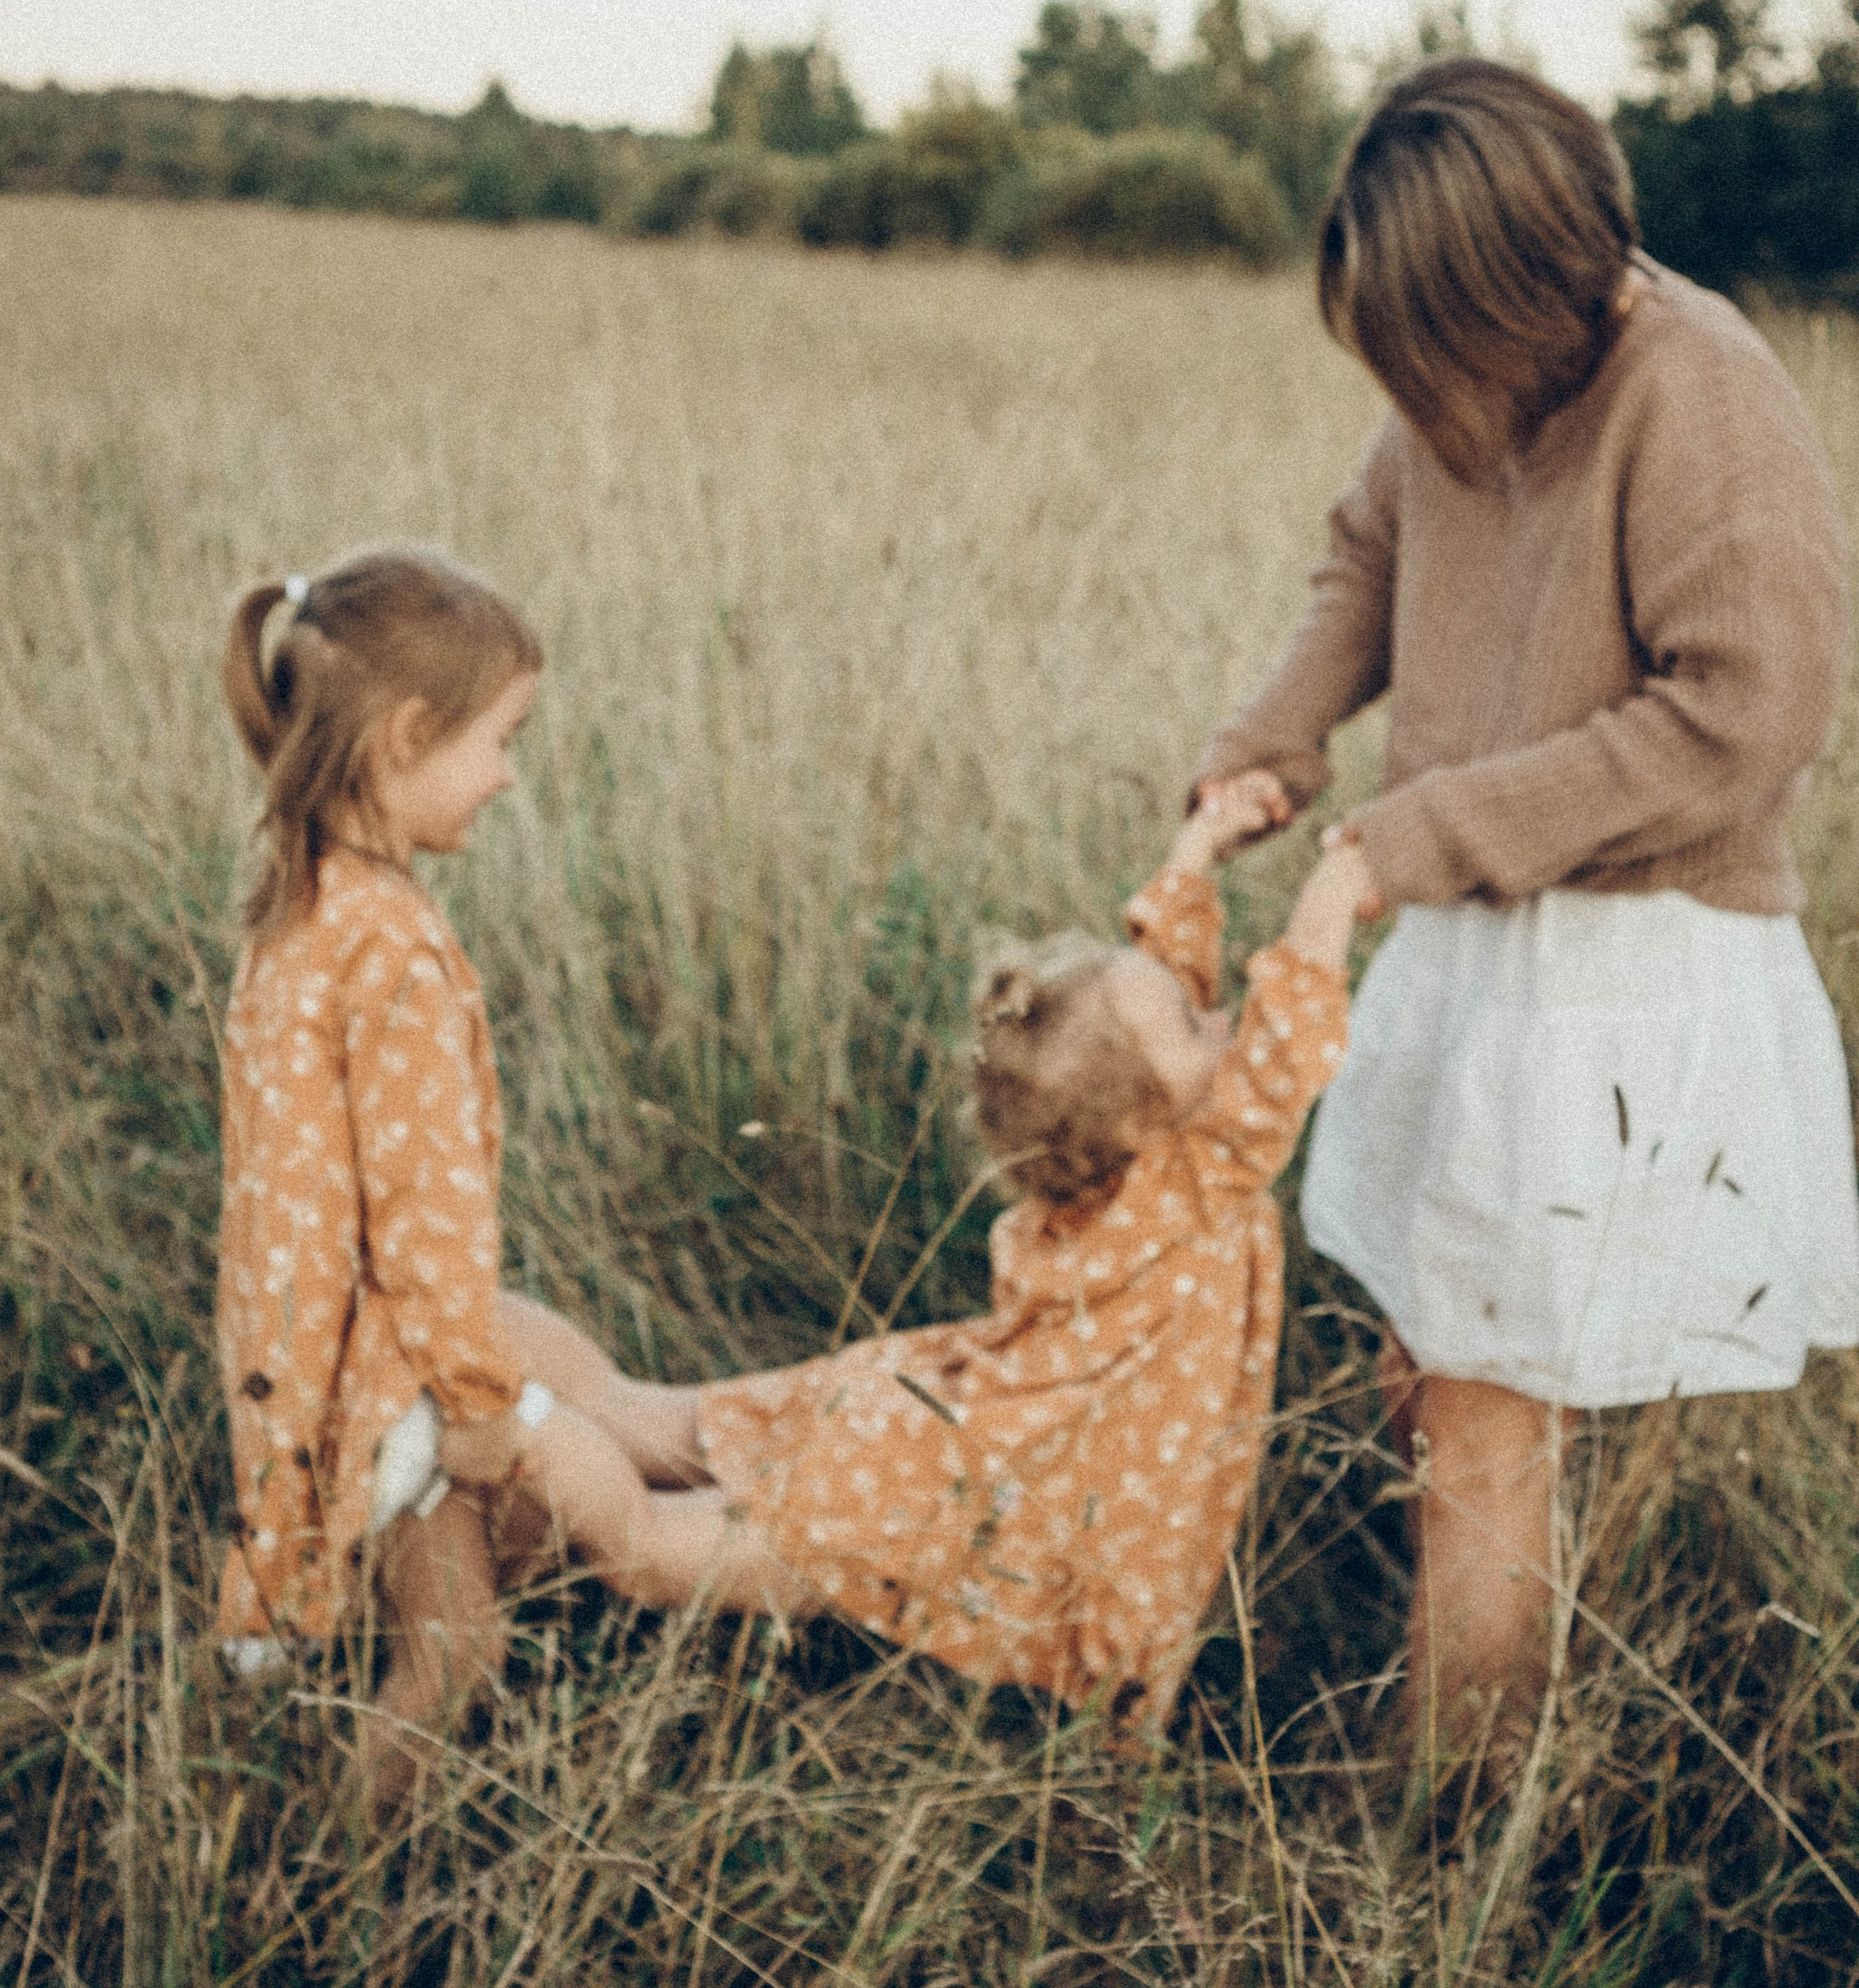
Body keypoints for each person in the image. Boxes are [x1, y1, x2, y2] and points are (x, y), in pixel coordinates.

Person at [1191, 57, 1859, 1756]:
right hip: (1470, 928)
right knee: (1430, 1368)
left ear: (1531, 289)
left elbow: (1743, 714)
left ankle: (1453, 1839)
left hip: (1622, 966)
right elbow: (1369, 556)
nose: (1417, 395)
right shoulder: (1458, 363)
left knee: (1484, 1412)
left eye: (1431, 354)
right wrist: (1273, 744)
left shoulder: (1696, 391)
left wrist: (1413, 836)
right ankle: (1459, 1734)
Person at [443, 778, 1376, 1730]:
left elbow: (1162, 1000)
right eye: (1194, 1025)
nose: (1222, 1023)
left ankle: (443, 1324)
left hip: (922, 1412)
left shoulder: (1149, 1157)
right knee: (644, 1551)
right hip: (942, 1483)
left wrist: (1202, 848)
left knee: (630, 1410)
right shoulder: (1194, 1174)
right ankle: (499, 1423)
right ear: (1138, 1118)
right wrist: (1338, 883)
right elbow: (1282, 1047)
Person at [215, 547, 659, 1793]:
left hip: (299, 1349)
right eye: (501, 739)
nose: (511, 773)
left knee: (428, 1628)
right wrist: (470, 1405)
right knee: (455, 1655)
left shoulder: (302, 903)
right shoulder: (395, 952)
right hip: (390, 1369)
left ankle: (257, 1789)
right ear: (404, 741)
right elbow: (423, 1216)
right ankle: (336, 1896)